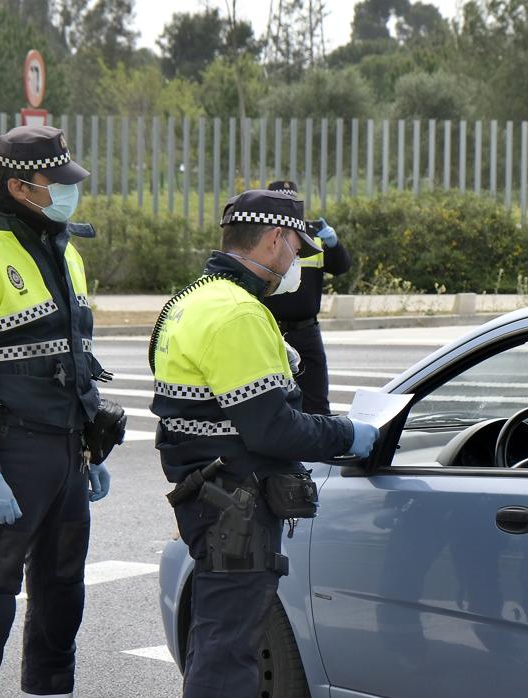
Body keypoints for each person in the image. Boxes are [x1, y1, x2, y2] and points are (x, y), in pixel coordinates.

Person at [149, 188, 379, 697]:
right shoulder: (239, 313)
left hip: (207, 493)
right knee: (229, 652)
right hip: (238, 502)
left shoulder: (189, 301)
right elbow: (272, 428)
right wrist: (352, 434)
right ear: (275, 238)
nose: (298, 258)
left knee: (216, 642)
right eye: (297, 246)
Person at [0, 125, 122, 698]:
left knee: (64, 594)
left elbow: (77, 360)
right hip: (11, 454)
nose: (67, 192)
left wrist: (91, 448)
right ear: (19, 186)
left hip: (65, 453)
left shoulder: (67, 255)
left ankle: (49, 689)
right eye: (55, 183)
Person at [260, 179, 352, 415]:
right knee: (270, 401)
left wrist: (333, 243)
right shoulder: (259, 237)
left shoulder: (312, 237)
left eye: (290, 200)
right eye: (280, 201)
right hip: (269, 330)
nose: (286, 206)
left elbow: (340, 266)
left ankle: (318, 452)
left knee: (316, 404)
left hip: (306, 332)